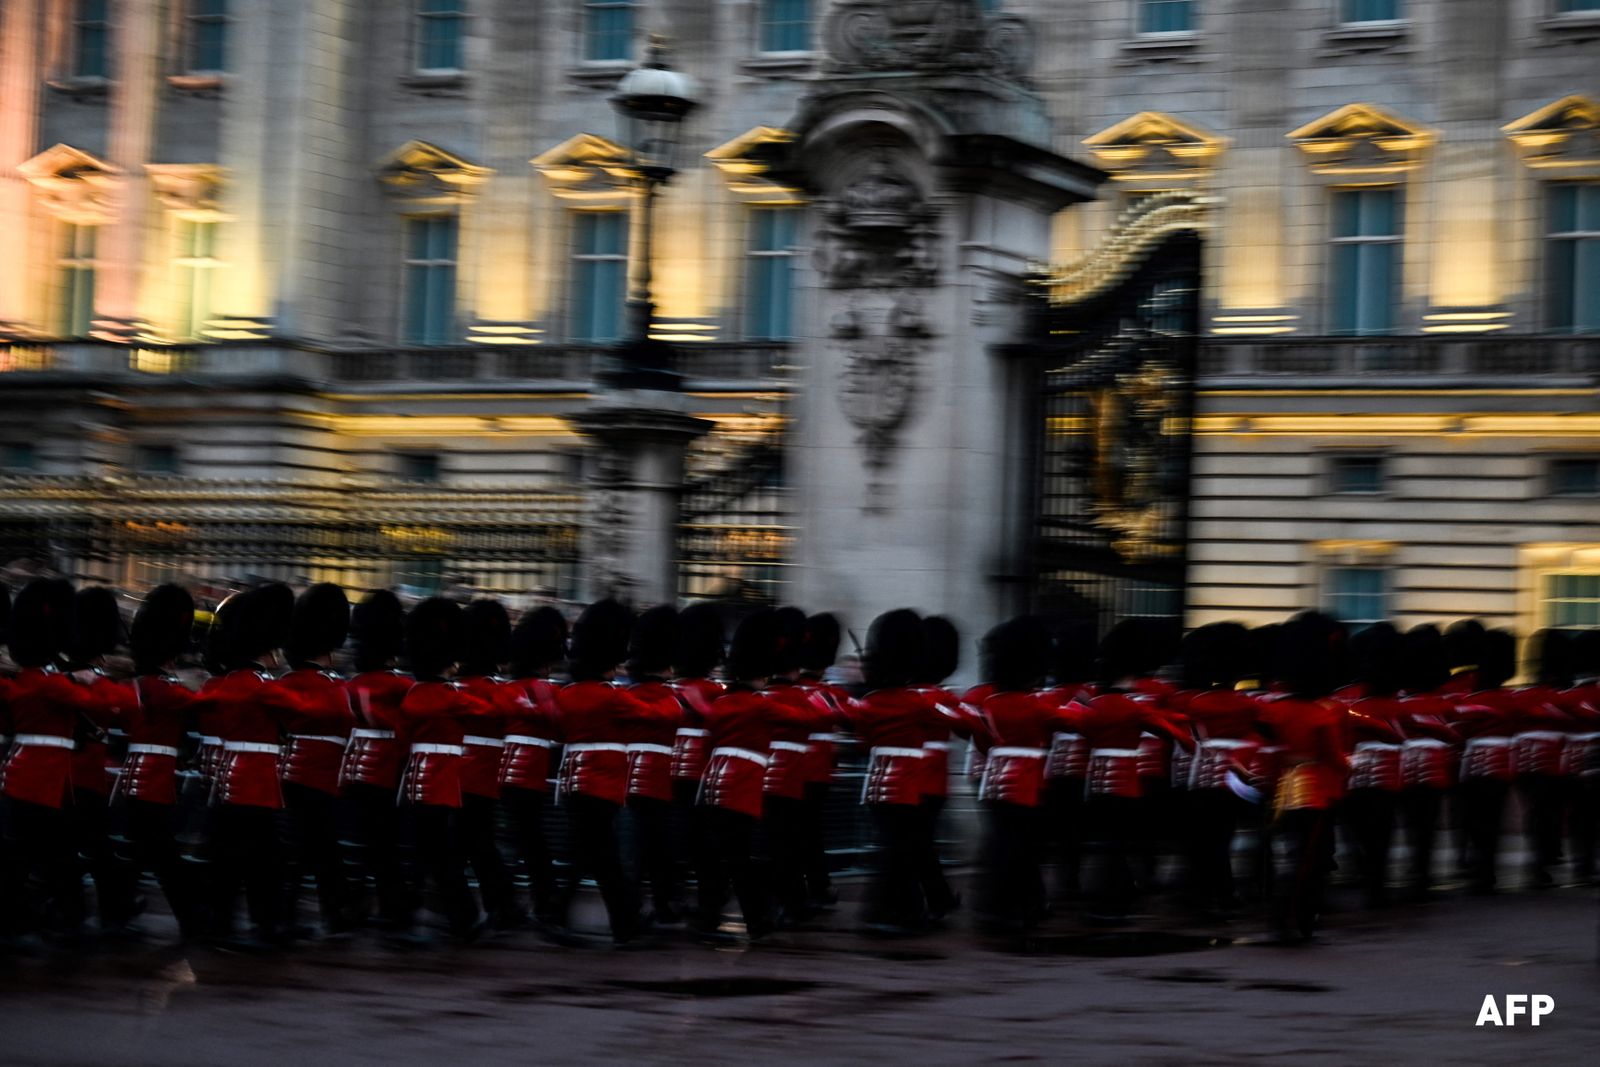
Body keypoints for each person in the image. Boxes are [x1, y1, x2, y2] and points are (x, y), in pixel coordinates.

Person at [698, 608, 826, 941]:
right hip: (742, 786)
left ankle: (715, 915)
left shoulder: (721, 703)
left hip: (713, 784)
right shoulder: (760, 704)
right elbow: (807, 719)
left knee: (722, 854)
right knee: (739, 856)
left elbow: (706, 738)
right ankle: (753, 919)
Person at [392, 597, 512, 942]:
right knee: (441, 852)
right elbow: (490, 711)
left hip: (418, 780)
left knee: (430, 849)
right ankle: (463, 916)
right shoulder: (450, 696)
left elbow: (402, 739)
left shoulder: (415, 694)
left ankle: (431, 911)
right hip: (446, 780)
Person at [1, 579, 111, 942]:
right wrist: (88, 681)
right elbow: (96, 704)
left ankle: (64, 917)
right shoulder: (46, 681)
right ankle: (31, 921)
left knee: (53, 853)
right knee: (31, 856)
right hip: (36, 779)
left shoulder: (37, 677)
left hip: (45, 777)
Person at [1068, 619, 1192, 922]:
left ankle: (1106, 894)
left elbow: (1070, 724)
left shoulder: (1090, 703)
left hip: (1096, 779)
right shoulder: (1142, 702)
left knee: (1105, 841)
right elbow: (1174, 732)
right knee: (1124, 840)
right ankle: (1117, 896)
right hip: (1130, 777)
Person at [548, 599, 653, 943]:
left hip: (575, 780)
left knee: (588, 853)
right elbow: (659, 716)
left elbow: (559, 731)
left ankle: (558, 915)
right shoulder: (612, 697)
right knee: (604, 858)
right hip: (603, 784)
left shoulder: (568, 694)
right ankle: (625, 924)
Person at [837, 609, 940, 932]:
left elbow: (863, 742)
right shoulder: (919, 702)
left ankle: (886, 910)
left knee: (890, 846)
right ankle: (900, 913)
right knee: (902, 850)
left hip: (878, 783)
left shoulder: (870, 703)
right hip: (909, 783)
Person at [971, 615, 1074, 932]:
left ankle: (1009, 903)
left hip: (994, 779)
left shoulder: (988, 701)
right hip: (1029, 782)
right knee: (1024, 846)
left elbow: (979, 738)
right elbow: (1077, 722)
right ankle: (1017, 905)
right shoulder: (1037, 705)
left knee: (1002, 841)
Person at [119, 583, 208, 941]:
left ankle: (119, 906)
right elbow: (200, 704)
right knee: (164, 854)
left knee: (144, 851)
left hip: (146, 777)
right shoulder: (161, 689)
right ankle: (191, 918)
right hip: (151, 780)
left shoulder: (150, 683)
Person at [1257, 612, 1348, 943]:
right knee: (1311, 859)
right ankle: (1303, 918)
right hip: (1315, 790)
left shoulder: (1274, 710)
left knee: (1287, 857)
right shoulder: (1320, 714)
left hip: (1283, 789)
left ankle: (1279, 917)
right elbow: (1335, 759)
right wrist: (1353, 765)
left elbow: (1270, 750)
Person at [277, 583, 357, 939]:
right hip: (320, 774)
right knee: (314, 847)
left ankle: (334, 910)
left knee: (314, 847)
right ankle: (303, 913)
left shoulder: (287, 681)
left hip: (291, 769)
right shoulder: (332, 686)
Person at [64, 585, 140, 934]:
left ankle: (99, 908)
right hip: (75, 774)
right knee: (90, 847)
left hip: (75, 774)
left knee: (89, 846)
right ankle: (100, 909)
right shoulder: (80, 682)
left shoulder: (73, 677)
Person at [340, 590, 416, 933]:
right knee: (387, 847)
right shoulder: (401, 686)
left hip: (355, 768)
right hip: (390, 771)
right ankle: (392, 910)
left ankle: (357, 905)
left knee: (365, 844)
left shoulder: (350, 685)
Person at [1174, 621, 1261, 914]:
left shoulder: (1194, 703)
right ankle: (1224, 892)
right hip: (1232, 778)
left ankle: (1202, 893)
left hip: (1199, 777)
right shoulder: (1247, 705)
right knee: (1223, 838)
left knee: (1199, 840)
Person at [454, 598, 524, 929]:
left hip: (467, 772)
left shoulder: (465, 688)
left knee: (473, 842)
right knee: (478, 843)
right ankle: (500, 906)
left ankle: (493, 906)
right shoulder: (489, 688)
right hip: (474, 771)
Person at [501, 605, 566, 926]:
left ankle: (524, 900)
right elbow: (557, 725)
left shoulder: (509, 689)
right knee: (531, 840)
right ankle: (543, 900)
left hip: (507, 771)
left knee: (521, 838)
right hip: (531, 774)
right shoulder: (545, 690)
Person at [621, 605, 686, 923]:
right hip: (657, 779)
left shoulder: (631, 694)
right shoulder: (669, 698)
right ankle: (651, 905)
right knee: (653, 848)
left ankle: (653, 903)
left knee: (645, 847)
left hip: (631, 776)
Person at [1449, 629, 1520, 893]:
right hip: (1503, 763)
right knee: (1492, 820)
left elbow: (1457, 733)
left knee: (1475, 819)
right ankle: (1487, 871)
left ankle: (1479, 870)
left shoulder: (1470, 702)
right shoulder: (1513, 700)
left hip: (1475, 763)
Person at [667, 603, 724, 910]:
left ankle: (674, 897)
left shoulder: (670, 689)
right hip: (703, 771)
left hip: (670, 769)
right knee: (703, 842)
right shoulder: (714, 690)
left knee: (678, 838)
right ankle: (706, 901)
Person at [908, 614, 963, 920]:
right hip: (932, 781)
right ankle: (935, 899)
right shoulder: (940, 698)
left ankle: (934, 898)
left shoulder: (911, 698)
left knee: (919, 845)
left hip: (910, 779)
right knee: (921, 846)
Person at [795, 612, 846, 910]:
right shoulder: (829, 694)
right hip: (816, 773)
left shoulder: (789, 692)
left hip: (790, 770)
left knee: (797, 834)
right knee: (812, 834)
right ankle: (817, 887)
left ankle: (809, 888)